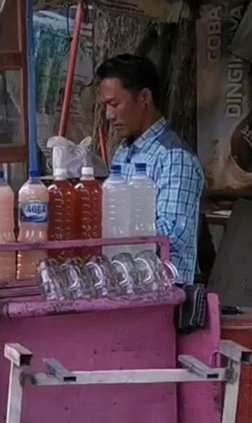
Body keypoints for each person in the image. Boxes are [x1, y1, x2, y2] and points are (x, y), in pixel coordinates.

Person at [97, 54, 205, 285]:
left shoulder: (175, 158)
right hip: (127, 285)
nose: (109, 115)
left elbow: (172, 237)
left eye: (115, 104)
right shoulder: (123, 153)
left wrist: (116, 230)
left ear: (144, 98)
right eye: (106, 106)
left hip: (167, 291)